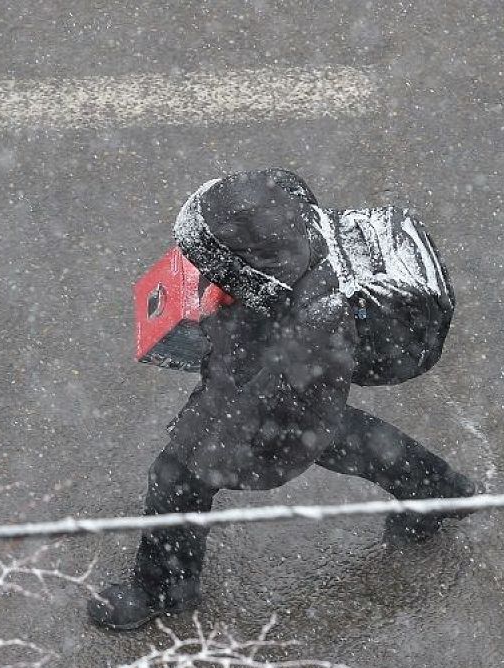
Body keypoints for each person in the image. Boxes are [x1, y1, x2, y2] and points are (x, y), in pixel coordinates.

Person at [89, 169, 478, 631]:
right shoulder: (291, 251)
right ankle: (437, 489)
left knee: (177, 477)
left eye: (219, 270)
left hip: (279, 397)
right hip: (302, 392)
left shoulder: (309, 323)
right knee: (336, 434)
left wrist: (202, 434)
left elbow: (245, 404)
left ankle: (161, 589)